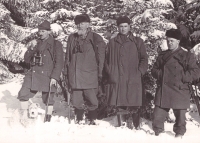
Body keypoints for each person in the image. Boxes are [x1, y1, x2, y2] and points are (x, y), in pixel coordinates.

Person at [151, 28, 200, 138]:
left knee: (180, 118)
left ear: (178, 41)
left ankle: (179, 135)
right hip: (164, 89)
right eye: (168, 40)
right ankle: (158, 134)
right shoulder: (163, 55)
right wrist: (162, 75)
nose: (169, 43)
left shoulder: (187, 56)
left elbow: (196, 72)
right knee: (157, 116)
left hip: (180, 89)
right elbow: (154, 70)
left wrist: (182, 77)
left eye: (172, 41)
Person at [105, 16, 148, 129]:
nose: (123, 29)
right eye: (121, 26)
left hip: (133, 76)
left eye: (125, 26)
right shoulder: (112, 42)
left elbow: (144, 59)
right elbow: (107, 59)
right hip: (118, 77)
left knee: (134, 102)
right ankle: (122, 125)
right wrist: (111, 72)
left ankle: (136, 125)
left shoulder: (138, 41)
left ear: (129, 27)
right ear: (117, 27)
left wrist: (139, 72)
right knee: (120, 102)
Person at [18, 20, 64, 123]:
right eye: (39, 31)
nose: (40, 33)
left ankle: (47, 119)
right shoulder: (36, 43)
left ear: (49, 32)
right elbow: (26, 60)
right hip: (34, 73)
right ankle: (24, 117)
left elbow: (59, 62)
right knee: (23, 93)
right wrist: (31, 48)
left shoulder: (56, 44)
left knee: (48, 98)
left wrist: (54, 77)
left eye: (43, 31)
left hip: (48, 74)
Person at [63, 14, 106, 125]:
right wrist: (66, 72)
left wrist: (100, 73)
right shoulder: (72, 38)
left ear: (88, 24)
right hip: (75, 75)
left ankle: (92, 119)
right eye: (78, 24)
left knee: (92, 100)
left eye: (82, 23)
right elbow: (67, 56)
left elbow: (101, 58)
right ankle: (79, 119)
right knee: (76, 100)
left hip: (90, 75)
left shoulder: (96, 38)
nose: (80, 26)